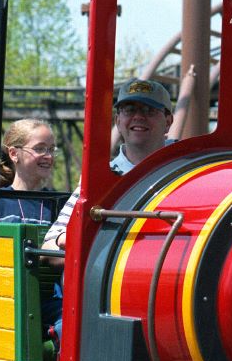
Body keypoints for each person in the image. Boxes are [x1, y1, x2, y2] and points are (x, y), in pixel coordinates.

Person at [42, 78, 173, 251]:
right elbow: (49, 244)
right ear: (118, 121)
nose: (139, 117)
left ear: (168, 122)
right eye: (129, 110)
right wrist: (66, 239)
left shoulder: (188, 174)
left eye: (149, 110)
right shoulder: (98, 178)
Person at [0, 119, 59, 226]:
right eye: (39, 149)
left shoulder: (61, 204)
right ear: (13, 154)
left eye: (51, 149)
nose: (49, 156)